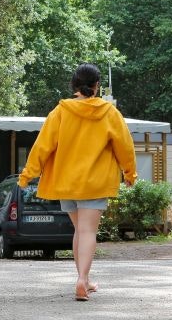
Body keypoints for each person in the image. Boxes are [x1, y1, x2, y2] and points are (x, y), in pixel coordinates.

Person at [17, 64, 137, 301]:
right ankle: (82, 280)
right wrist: (130, 173)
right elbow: (125, 146)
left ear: (74, 86)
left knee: (79, 231)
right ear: (97, 86)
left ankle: (85, 278)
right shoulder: (110, 113)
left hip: (67, 183)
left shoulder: (60, 112)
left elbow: (43, 146)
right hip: (94, 182)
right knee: (88, 230)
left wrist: (27, 174)